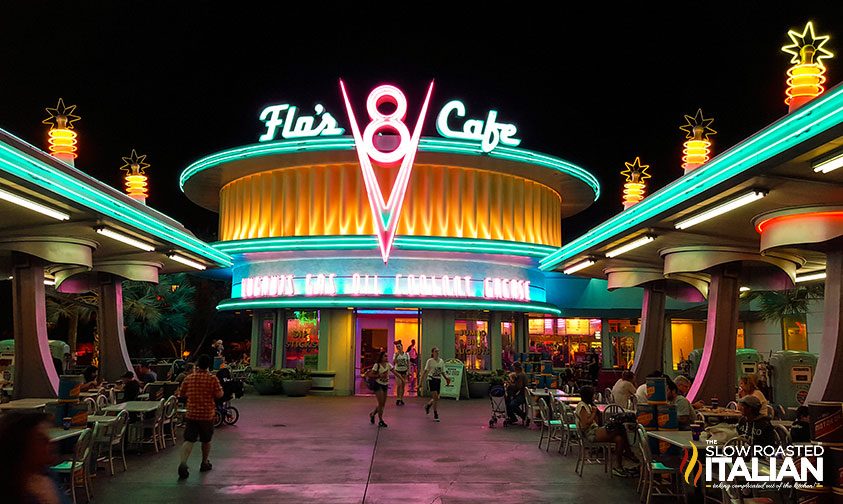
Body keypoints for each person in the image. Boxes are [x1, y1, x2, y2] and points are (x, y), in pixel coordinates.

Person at [0, 412, 65, 504]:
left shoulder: (49, 475)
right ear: (20, 446)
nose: (50, 441)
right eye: (40, 439)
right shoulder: (11, 491)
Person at [178, 354, 224, 480]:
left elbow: (181, 393)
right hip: (207, 415)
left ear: (197, 365)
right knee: (206, 440)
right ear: (208, 365)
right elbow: (219, 394)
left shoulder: (189, 378)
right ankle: (204, 462)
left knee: (189, 439)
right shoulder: (212, 379)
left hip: (191, 414)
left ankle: (183, 463)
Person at [575, 386, 637, 477]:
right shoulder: (582, 406)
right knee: (620, 428)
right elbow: (585, 424)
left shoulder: (588, 405)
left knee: (619, 439)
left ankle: (618, 467)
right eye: (593, 395)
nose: (594, 397)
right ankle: (628, 453)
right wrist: (593, 413)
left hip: (594, 430)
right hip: (590, 433)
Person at [365, 351, 398, 428]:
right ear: (381, 357)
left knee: (382, 404)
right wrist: (380, 375)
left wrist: (402, 379)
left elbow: (395, 372)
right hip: (378, 384)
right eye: (385, 356)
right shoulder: (377, 365)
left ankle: (372, 414)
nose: (386, 357)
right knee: (380, 403)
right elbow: (371, 374)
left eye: (387, 356)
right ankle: (380, 420)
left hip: (385, 385)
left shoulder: (388, 365)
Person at [420, 347, 451, 422]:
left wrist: (447, 379)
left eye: (438, 351)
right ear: (432, 353)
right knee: (435, 396)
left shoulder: (441, 361)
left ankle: (428, 405)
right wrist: (420, 382)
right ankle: (435, 414)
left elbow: (442, 372)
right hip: (431, 379)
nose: (437, 353)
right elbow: (425, 372)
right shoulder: (430, 361)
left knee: (436, 398)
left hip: (438, 379)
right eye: (435, 351)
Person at [393, 340, 410, 406]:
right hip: (398, 371)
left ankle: (401, 398)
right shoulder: (395, 354)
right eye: (397, 347)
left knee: (403, 386)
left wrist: (409, 371)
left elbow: (408, 363)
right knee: (399, 384)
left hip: (404, 371)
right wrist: (396, 356)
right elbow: (394, 362)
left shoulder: (406, 354)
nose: (398, 348)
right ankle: (398, 398)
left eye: (399, 346)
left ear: (402, 346)